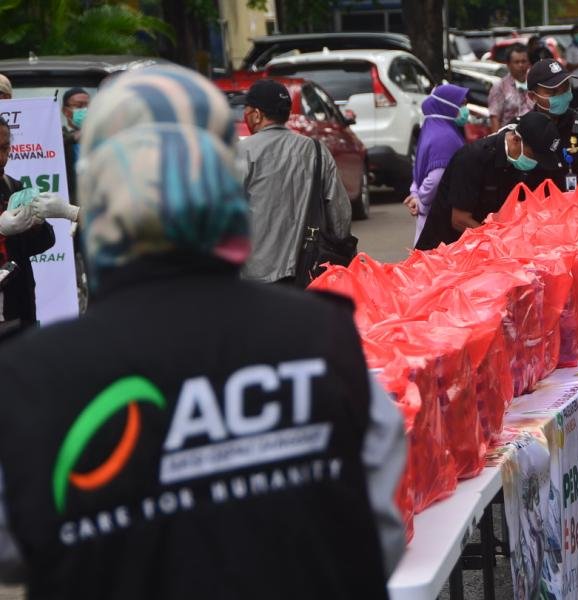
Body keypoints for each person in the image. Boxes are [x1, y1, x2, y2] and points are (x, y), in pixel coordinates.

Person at [0, 66, 406, 599]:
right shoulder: (322, 338)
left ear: (100, 201)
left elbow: (14, 553)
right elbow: (383, 533)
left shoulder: (32, 377)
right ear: (222, 193)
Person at [238, 79, 351, 284]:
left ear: (257, 114)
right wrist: (342, 245)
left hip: (254, 275)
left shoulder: (242, 153)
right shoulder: (316, 150)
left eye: (246, 110)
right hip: (308, 270)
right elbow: (340, 214)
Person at [415, 110, 563, 251]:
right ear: (516, 140)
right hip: (446, 249)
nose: (535, 162)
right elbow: (460, 220)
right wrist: (500, 241)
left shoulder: (521, 161)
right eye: (534, 155)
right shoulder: (472, 158)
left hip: (484, 246)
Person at [0, 117, 55, 326]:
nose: (2, 158)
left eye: (5, 148)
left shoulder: (15, 188)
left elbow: (45, 241)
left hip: (16, 303)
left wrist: (36, 226)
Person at [403, 84, 468, 245]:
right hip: (437, 219)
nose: (466, 110)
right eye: (462, 104)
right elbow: (436, 178)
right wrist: (421, 201)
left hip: (430, 217)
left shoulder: (432, 128)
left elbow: (420, 169)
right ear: (448, 106)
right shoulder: (445, 137)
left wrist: (416, 194)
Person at [527, 59, 578, 189]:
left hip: (577, 204)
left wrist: (573, 202)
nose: (561, 95)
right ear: (532, 96)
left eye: (565, 88)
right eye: (552, 92)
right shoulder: (522, 130)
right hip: (537, 206)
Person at [488, 43, 534, 132]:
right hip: (510, 139)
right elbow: (495, 118)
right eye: (516, 62)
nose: (521, 65)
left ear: (529, 63)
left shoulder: (535, 84)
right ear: (508, 65)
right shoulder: (500, 87)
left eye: (524, 61)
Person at [61, 87, 90, 203]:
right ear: (65, 110)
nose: (85, 110)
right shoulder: (59, 135)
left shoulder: (100, 134)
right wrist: (73, 137)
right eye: (79, 106)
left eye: (88, 106)